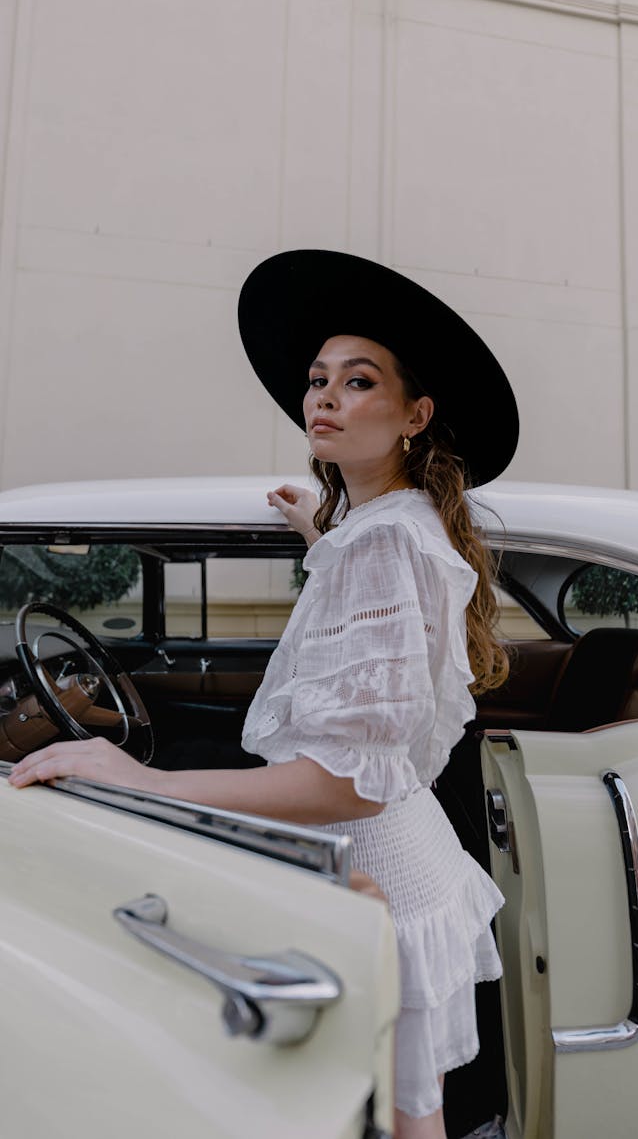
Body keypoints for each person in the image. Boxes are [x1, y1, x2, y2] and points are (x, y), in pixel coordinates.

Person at [8, 250, 519, 1139]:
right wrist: (318, 528)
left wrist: (149, 786)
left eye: (359, 382)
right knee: (404, 1116)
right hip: (388, 868)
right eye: (318, 379)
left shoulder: (380, 544)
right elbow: (368, 607)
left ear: (414, 414)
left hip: (373, 877)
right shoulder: (386, 525)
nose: (324, 395)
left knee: (405, 1123)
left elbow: (345, 783)